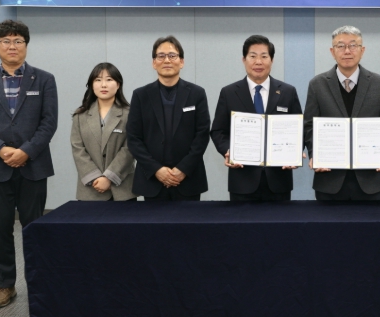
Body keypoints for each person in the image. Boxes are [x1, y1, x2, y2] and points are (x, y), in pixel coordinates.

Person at [0, 19, 58, 308]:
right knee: (0, 230)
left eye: (18, 41)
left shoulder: (44, 79)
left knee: (34, 229)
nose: (12, 46)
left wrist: (26, 151)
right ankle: (5, 286)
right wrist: (1, 149)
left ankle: (39, 283)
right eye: (6, 41)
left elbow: (49, 123)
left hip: (33, 167)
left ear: (26, 45)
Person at [303, 25, 380, 200]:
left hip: (371, 179)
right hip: (329, 178)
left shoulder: (379, 83)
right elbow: (309, 125)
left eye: (353, 45)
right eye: (341, 46)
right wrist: (315, 154)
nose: (347, 51)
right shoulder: (317, 84)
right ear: (332, 51)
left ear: (362, 50)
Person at [210, 35, 303, 201]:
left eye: (264, 56)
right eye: (252, 56)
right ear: (244, 60)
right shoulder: (229, 93)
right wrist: (228, 151)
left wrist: (295, 153)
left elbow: (299, 129)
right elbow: (218, 131)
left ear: (272, 60)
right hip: (242, 180)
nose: (258, 62)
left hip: (279, 180)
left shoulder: (288, 92)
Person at [127, 36, 210, 201]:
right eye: (161, 56)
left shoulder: (197, 93)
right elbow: (133, 138)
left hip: (188, 179)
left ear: (182, 62)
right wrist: (156, 170)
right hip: (152, 180)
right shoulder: (141, 95)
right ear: (154, 63)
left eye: (172, 56)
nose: (167, 60)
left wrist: (183, 169)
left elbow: (202, 135)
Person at [70, 63, 136, 201]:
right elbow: (78, 149)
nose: (103, 85)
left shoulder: (130, 114)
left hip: (122, 189)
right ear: (92, 85)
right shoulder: (80, 116)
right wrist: (95, 177)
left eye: (109, 79)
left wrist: (109, 177)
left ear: (118, 85)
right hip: (90, 189)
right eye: (98, 80)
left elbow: (130, 148)